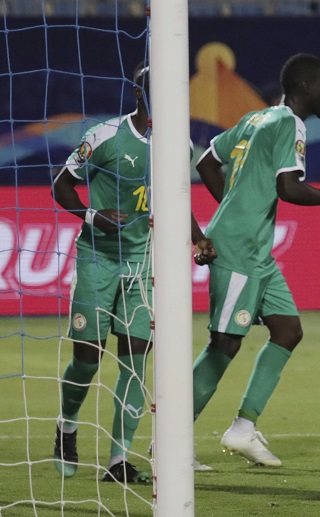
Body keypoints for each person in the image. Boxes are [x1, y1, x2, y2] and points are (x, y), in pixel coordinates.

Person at [190, 53, 320, 468]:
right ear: (304, 87)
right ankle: (170, 441)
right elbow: (289, 187)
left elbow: (207, 161)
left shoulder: (256, 118)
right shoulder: (290, 124)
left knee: (287, 330)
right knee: (224, 343)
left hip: (255, 249)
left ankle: (243, 427)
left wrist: (235, 204)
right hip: (239, 248)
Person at [51, 63, 214, 482]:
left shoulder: (178, 144)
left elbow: (174, 197)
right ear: (140, 93)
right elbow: (61, 185)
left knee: (135, 363)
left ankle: (117, 461)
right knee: (87, 360)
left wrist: (198, 238)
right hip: (97, 258)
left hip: (143, 263)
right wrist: (93, 216)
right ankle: (66, 425)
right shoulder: (104, 136)